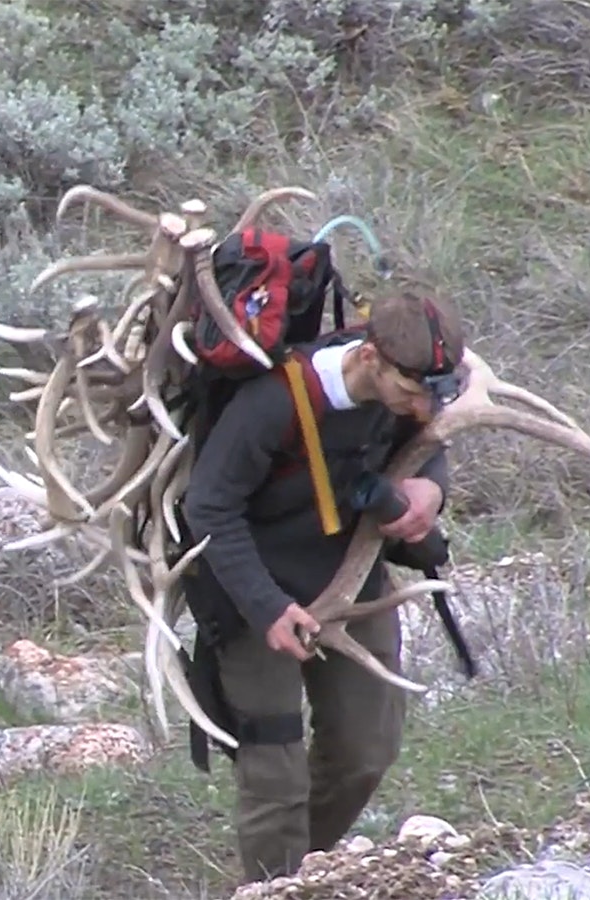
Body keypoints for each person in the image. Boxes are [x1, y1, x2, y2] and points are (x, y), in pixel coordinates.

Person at [179, 290, 466, 885]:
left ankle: (298, 874)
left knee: (366, 750)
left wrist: (428, 490)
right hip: (251, 593)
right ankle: (274, 884)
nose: (421, 409)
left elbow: (426, 446)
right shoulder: (271, 404)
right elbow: (208, 507)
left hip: (352, 578)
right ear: (369, 358)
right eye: (412, 393)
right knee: (273, 768)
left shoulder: (405, 397)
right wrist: (267, 608)